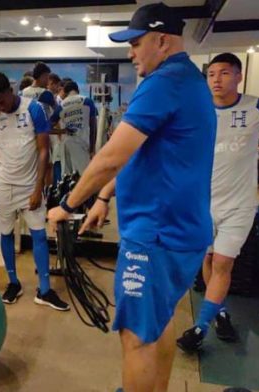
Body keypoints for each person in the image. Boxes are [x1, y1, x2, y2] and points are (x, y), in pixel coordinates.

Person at [47, 3, 216, 391]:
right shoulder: (189, 79)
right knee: (159, 322)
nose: (130, 52)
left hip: (155, 235)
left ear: (162, 40)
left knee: (137, 335)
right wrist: (105, 197)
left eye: (136, 43)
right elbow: (143, 152)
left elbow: (110, 156)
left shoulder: (163, 83)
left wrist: (69, 205)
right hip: (181, 232)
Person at [177, 53, 259, 353]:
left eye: (224, 73)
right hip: (202, 204)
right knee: (208, 261)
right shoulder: (197, 109)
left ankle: (200, 328)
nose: (216, 80)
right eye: (211, 74)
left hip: (239, 204)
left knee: (223, 263)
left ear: (239, 76)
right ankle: (219, 311)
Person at [0, 72, 70, 311]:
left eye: (1, 101)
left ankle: (44, 290)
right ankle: (13, 282)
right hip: (5, 185)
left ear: (10, 91)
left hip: (30, 186)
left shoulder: (33, 109)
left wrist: (38, 189)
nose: (0, 107)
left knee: (38, 234)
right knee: (5, 233)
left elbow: (44, 151)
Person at [50, 81, 98, 175]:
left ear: (65, 92)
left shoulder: (62, 105)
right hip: (82, 143)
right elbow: (93, 126)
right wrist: (92, 149)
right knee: (84, 178)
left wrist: (63, 131)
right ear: (78, 90)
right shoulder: (87, 101)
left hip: (66, 144)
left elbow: (47, 128)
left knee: (66, 180)